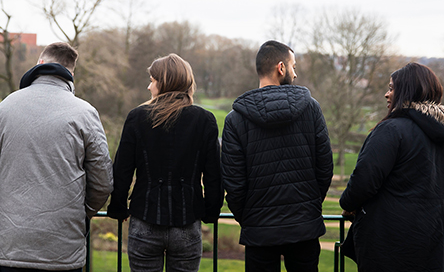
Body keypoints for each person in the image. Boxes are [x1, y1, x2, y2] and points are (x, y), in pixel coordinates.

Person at [0, 42, 113, 272]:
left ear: (40, 64)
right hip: (63, 246)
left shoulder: (6, 106)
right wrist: (78, 213)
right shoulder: (85, 112)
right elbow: (102, 181)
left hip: (13, 244)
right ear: (71, 74)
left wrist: (14, 203)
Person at [221, 40, 333, 272]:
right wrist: (308, 208)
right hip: (304, 228)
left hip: (259, 232)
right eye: (293, 66)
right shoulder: (311, 109)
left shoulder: (235, 119)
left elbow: (233, 182)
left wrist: (250, 219)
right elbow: (324, 167)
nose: (296, 72)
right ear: (280, 68)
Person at [107, 53, 223, 272]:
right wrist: (211, 211)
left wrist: (118, 208)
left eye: (152, 81)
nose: (149, 87)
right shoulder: (204, 120)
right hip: (187, 222)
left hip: (145, 219)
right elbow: (214, 175)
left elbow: (122, 170)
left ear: (164, 83)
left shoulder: (137, 117)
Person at [340, 62, 444, 272]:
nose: (387, 95)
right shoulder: (439, 135)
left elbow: (364, 180)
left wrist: (346, 203)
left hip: (388, 244)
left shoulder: (391, 130)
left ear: (407, 91)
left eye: (391, 88)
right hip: (432, 242)